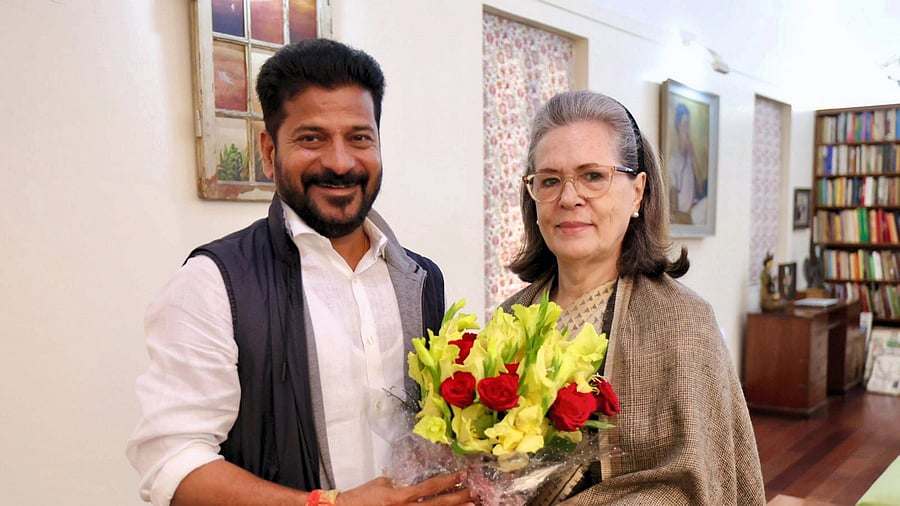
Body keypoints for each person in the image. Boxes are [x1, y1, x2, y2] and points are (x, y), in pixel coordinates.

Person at [126, 39, 471, 506]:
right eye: (312, 138)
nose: (340, 162)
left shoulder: (422, 279)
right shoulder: (214, 283)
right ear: (269, 151)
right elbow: (172, 464)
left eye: (359, 138)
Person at [503, 90, 765, 504]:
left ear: (638, 192)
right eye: (550, 180)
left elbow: (698, 488)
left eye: (593, 176)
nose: (568, 198)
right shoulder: (510, 318)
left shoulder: (683, 323)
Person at [668, 103, 705, 225]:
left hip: (694, 211)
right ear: (678, 126)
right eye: (685, 124)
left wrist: (693, 156)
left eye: (688, 125)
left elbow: (700, 189)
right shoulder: (674, 160)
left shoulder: (690, 157)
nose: (687, 130)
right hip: (685, 216)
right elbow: (673, 208)